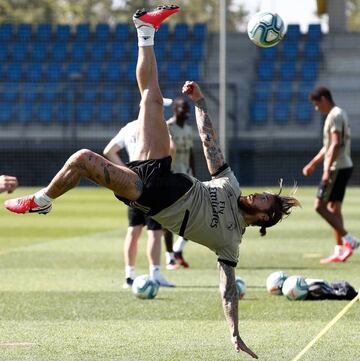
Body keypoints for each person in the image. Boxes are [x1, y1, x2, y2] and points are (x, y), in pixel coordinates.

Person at [4, 5, 300, 356]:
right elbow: (211, 146)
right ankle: (145, 29)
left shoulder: (230, 243)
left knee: (83, 159)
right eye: (263, 193)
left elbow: (227, 287)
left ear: (265, 218)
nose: (257, 195)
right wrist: (201, 103)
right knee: (152, 98)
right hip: (160, 170)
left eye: (265, 199)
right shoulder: (231, 186)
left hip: (149, 195)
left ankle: (43, 199)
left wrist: (234, 333)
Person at [103, 119, 175, 288]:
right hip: (154, 181)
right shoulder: (158, 125)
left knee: (133, 230)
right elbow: (172, 148)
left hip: (133, 181)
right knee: (155, 231)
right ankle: (155, 273)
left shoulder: (128, 127)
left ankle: (129, 276)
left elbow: (109, 151)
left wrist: (125, 171)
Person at [303, 86, 359, 264]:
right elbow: (328, 146)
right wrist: (313, 163)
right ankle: (340, 250)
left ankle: (349, 240)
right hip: (343, 166)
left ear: (324, 99)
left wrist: (326, 170)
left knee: (319, 206)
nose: (316, 108)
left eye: (316, 104)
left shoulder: (334, 115)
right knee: (335, 209)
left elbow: (335, 145)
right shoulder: (338, 114)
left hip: (337, 167)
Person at [163, 96, 195, 269]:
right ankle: (170, 257)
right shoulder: (167, 127)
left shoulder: (189, 130)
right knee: (168, 217)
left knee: (194, 216)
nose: (186, 110)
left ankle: (178, 249)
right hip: (171, 177)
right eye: (182, 107)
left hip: (186, 177)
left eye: (187, 107)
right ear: (175, 109)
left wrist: (194, 175)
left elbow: (190, 153)